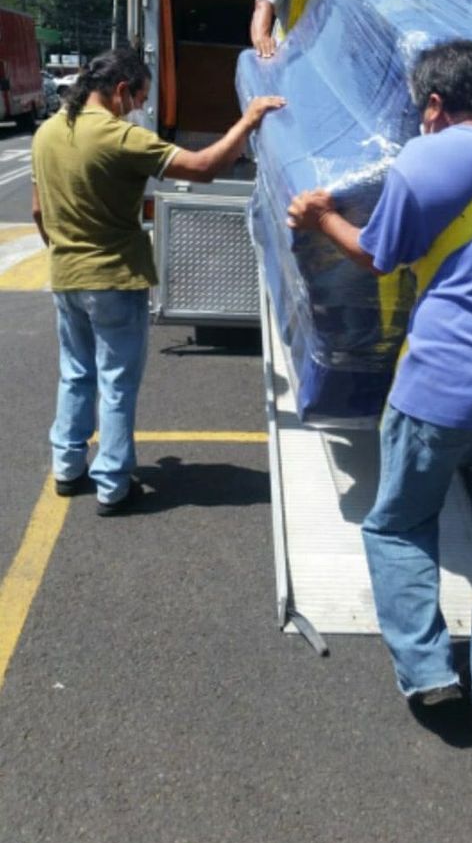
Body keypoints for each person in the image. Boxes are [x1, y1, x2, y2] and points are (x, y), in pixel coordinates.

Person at [287, 39, 472, 751]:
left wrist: (318, 216)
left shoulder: (425, 158)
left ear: (437, 105)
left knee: (397, 524)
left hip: (441, 388)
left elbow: (376, 252)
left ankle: (427, 670)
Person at [32, 47, 284, 517]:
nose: (141, 108)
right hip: (114, 278)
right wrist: (247, 121)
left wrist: (66, 251)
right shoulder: (120, 137)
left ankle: (67, 467)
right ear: (121, 90)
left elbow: (37, 211)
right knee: (116, 382)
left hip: (66, 276)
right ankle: (112, 483)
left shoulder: (46, 132)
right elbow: (204, 167)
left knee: (76, 373)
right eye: (140, 98)